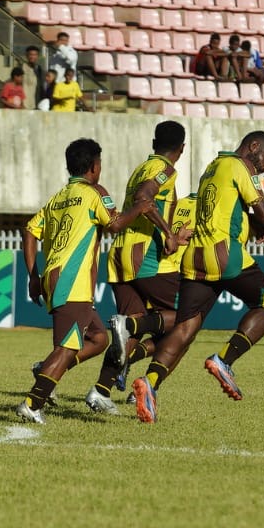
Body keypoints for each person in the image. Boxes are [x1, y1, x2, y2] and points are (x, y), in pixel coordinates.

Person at [131, 131, 264, 423]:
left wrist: (255, 224)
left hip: (195, 256)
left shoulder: (213, 167)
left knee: (185, 329)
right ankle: (224, 360)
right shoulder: (239, 166)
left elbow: (232, 206)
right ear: (253, 147)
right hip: (225, 254)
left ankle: (150, 383)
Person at [15, 138, 163, 423]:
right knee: (67, 347)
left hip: (54, 277)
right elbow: (116, 224)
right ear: (95, 166)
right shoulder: (94, 193)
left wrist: (34, 276)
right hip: (72, 280)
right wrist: (140, 209)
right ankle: (33, 404)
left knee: (97, 338)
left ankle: (45, 369)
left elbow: (29, 231)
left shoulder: (58, 197)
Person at [85, 121, 185, 414]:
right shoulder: (164, 169)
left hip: (120, 255)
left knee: (132, 332)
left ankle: (100, 392)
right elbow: (144, 198)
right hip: (145, 257)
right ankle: (147, 384)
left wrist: (172, 234)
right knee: (186, 321)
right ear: (182, 148)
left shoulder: (141, 167)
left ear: (154, 141)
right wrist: (168, 233)